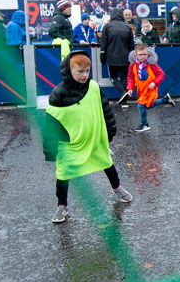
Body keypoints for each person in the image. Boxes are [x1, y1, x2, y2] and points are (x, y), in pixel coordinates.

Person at [41, 50, 132, 224]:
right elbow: (51, 125)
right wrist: (51, 150)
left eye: (87, 71)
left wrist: (110, 131)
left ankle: (117, 188)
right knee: (63, 174)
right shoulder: (58, 95)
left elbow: (105, 110)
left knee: (107, 163)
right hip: (71, 144)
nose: (84, 75)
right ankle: (62, 206)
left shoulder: (94, 87)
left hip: (94, 140)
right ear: (69, 71)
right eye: (80, 72)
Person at [125, 43, 171, 132]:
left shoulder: (152, 64)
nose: (142, 57)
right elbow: (130, 77)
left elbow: (161, 74)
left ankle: (144, 124)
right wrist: (130, 88)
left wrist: (155, 83)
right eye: (140, 55)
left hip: (150, 89)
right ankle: (165, 100)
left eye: (144, 54)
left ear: (148, 54)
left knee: (141, 105)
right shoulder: (133, 65)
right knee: (148, 106)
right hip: (141, 90)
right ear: (135, 55)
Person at [100, 7, 134, 93]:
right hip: (125, 57)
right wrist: (132, 58)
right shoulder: (127, 27)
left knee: (113, 77)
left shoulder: (107, 26)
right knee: (124, 77)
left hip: (111, 58)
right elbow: (131, 45)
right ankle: (125, 101)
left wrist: (102, 58)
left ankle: (123, 93)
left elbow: (103, 44)